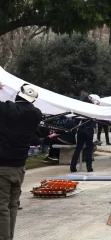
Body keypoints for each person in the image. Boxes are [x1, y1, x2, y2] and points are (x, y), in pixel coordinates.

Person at [0, 83, 42, 240]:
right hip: (19, 166)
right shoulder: (36, 114)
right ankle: (9, 236)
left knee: (1, 207)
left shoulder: (6, 110)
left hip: (2, 165)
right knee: (12, 204)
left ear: (18, 94)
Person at [70, 93, 96, 173]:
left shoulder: (80, 107)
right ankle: (89, 167)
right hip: (89, 129)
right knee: (89, 148)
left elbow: (76, 119)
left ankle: (73, 166)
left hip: (81, 128)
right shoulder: (92, 107)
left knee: (78, 148)